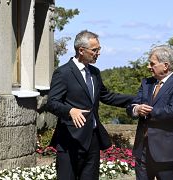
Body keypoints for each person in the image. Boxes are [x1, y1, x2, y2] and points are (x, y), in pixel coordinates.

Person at [46, 30, 133, 180]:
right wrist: (70, 111)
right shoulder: (63, 73)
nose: (98, 53)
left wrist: (137, 99)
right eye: (95, 50)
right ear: (81, 50)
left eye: (99, 49)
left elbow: (107, 96)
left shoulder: (94, 72)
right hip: (70, 140)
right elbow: (52, 102)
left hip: (92, 140)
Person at [127, 45, 173, 180]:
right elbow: (132, 106)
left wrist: (148, 111)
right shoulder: (146, 83)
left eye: (152, 63)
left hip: (166, 152)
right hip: (142, 150)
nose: (149, 67)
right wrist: (136, 109)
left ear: (165, 65)